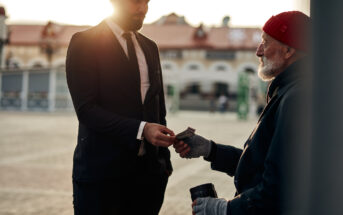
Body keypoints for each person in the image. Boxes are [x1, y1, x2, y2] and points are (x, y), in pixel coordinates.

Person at [174, 11, 311, 215]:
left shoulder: (296, 97)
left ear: (289, 50)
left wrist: (226, 209)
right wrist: (210, 150)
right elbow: (259, 164)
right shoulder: (288, 89)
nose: (258, 51)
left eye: (265, 42)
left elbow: (278, 187)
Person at [66, 0, 175, 214]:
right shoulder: (84, 42)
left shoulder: (149, 47)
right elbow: (86, 110)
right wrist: (142, 129)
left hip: (148, 180)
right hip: (101, 179)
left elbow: (158, 108)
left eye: (147, 2)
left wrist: (164, 162)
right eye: (136, 2)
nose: (143, 8)